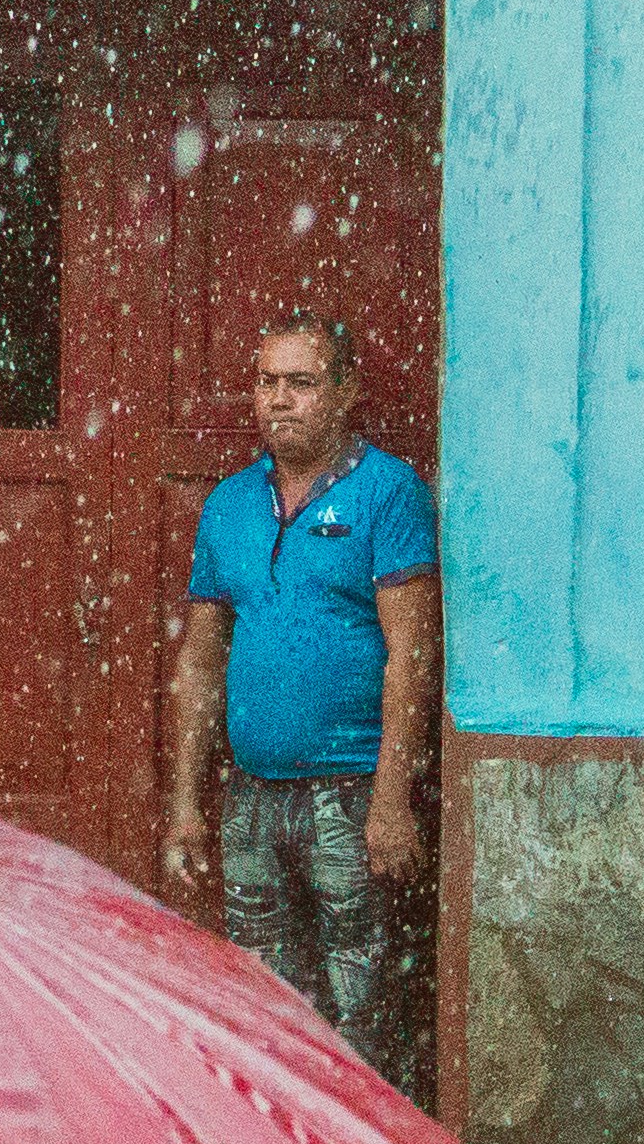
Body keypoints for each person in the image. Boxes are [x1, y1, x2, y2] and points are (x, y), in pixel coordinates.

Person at [161, 316, 442, 1101]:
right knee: (262, 1007)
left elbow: (411, 656)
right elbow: (201, 658)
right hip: (250, 798)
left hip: (348, 801)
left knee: (361, 1009)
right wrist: (187, 805)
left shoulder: (387, 494)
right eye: (265, 382)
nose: (277, 400)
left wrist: (391, 800)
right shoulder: (228, 506)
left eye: (301, 382)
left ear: (345, 393)